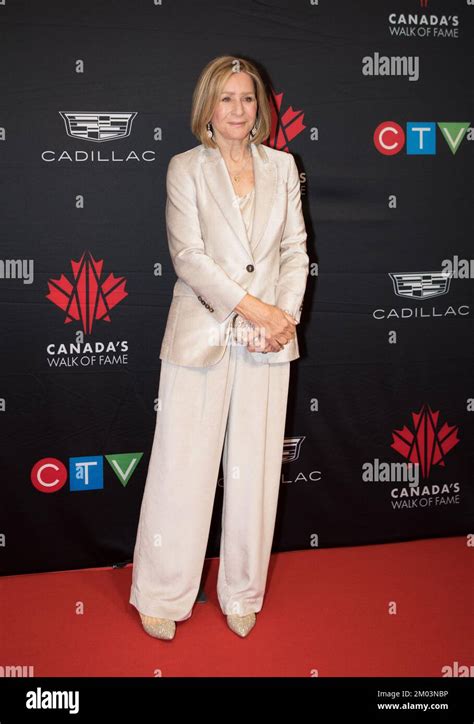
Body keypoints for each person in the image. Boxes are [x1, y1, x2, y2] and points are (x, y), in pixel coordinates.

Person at [129, 55, 309, 639]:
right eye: (227, 98)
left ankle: (241, 591)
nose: (239, 109)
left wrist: (282, 317)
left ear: (261, 106)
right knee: (182, 464)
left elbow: (294, 252)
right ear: (208, 106)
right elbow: (189, 257)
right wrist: (253, 309)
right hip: (203, 332)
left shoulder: (283, 167)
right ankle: (161, 593)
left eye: (248, 98)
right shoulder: (186, 168)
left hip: (269, 336)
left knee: (255, 469)